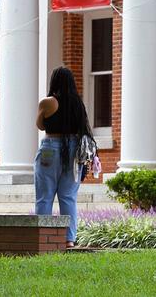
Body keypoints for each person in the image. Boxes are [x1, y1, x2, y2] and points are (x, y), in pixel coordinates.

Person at [34, 66, 93, 247]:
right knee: (68, 197)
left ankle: (43, 238)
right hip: (73, 151)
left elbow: (40, 125)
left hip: (50, 149)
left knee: (45, 196)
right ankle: (69, 239)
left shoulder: (47, 102)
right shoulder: (78, 104)